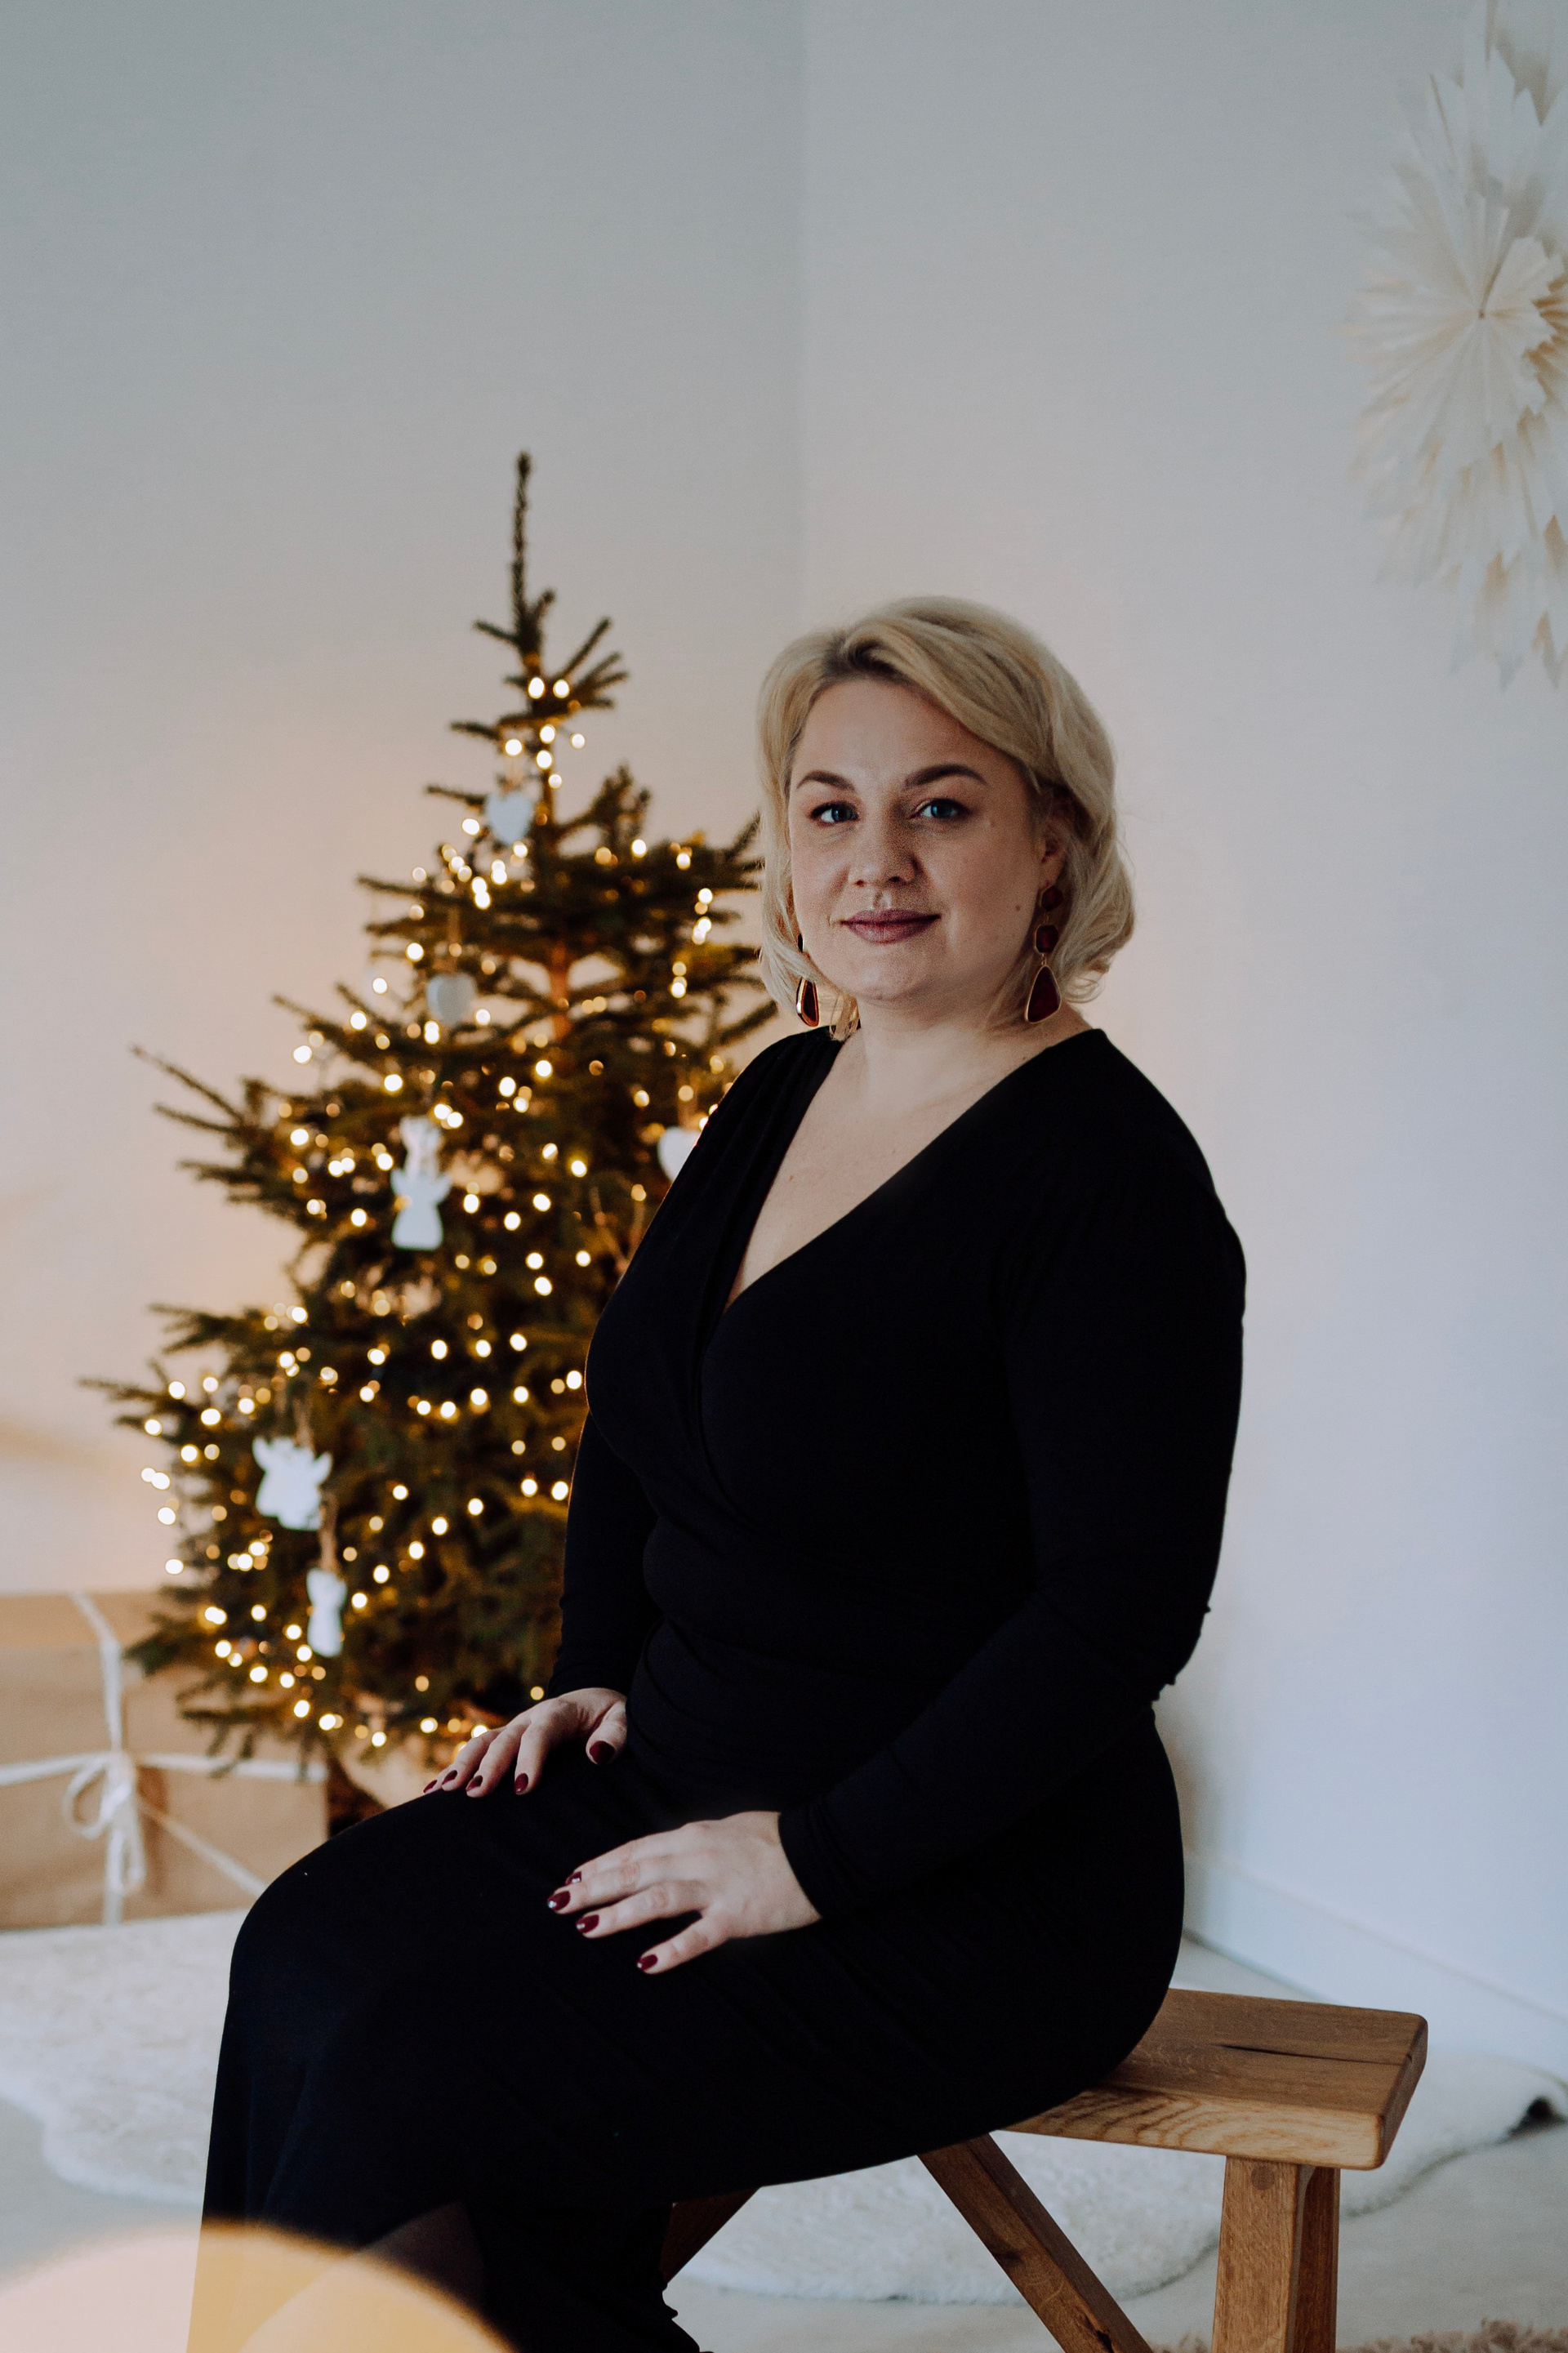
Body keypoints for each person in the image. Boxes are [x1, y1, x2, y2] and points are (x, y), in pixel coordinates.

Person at [194, 598, 1245, 2352]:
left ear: (1053, 838)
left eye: (941, 804)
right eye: (832, 807)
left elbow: (1117, 1613)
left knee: (420, 2059)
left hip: (965, 1876)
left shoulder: (1112, 1180)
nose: (876, 859)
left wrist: (809, 1861)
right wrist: (595, 1668)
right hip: (684, 1768)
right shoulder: (782, 1090)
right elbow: (640, 1415)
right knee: (309, 1943)